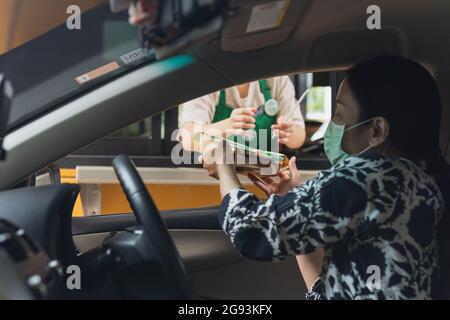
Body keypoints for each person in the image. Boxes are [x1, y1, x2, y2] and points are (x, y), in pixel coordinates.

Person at [208, 56, 450, 299]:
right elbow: (334, 289)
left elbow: (250, 231)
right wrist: (292, 197)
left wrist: (223, 162)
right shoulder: (424, 181)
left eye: (339, 114)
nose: (332, 125)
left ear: (376, 130)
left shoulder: (366, 177)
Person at [179, 77, 306, 153]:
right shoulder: (207, 79)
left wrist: (289, 131)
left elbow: (299, 138)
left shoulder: (276, 79)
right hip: (217, 182)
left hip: (265, 180)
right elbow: (188, 138)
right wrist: (227, 126)